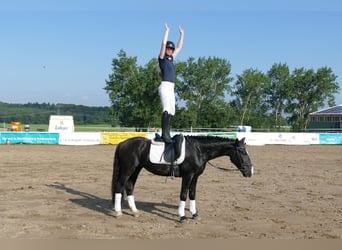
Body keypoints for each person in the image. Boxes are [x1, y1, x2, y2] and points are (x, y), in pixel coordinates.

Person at [158, 23, 184, 143]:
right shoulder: (162, 59)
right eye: (168, 49)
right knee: (167, 108)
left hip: (171, 87)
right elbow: (163, 44)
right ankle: (164, 134)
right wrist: (167, 31)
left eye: (170, 49)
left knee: (172, 109)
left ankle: (168, 132)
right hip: (165, 85)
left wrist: (182, 34)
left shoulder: (172, 58)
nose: (169, 50)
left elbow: (179, 47)